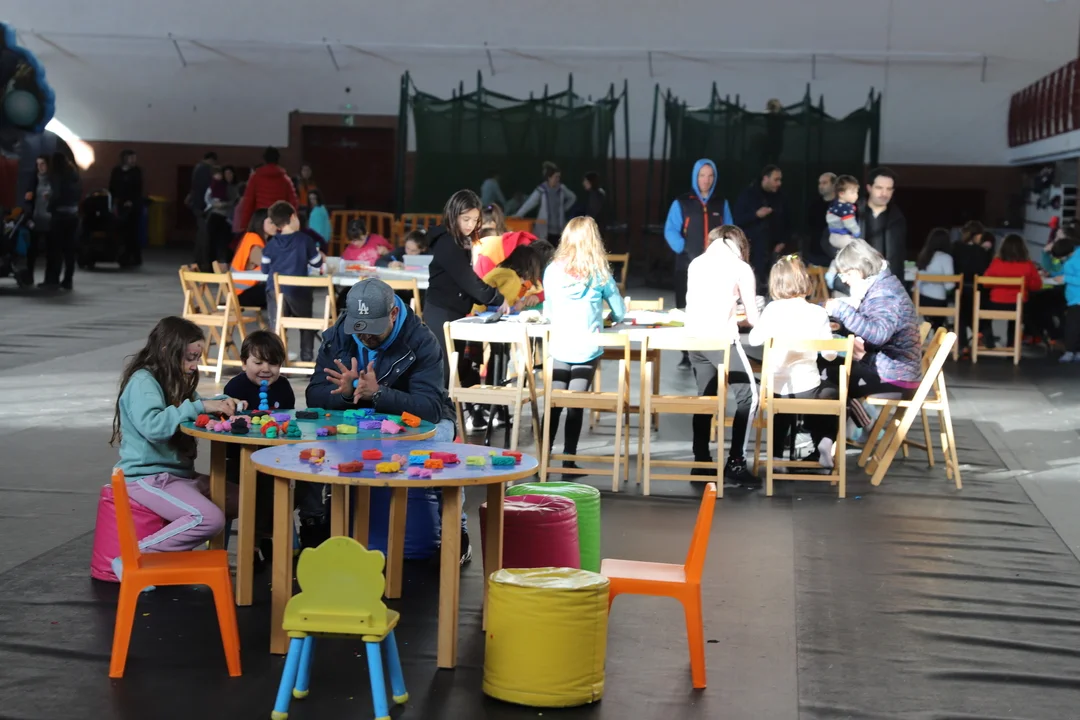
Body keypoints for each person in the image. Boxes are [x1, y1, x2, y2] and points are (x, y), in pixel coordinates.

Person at [306, 279, 472, 563]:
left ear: (393, 313)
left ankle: (456, 529)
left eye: (372, 328)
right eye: (358, 327)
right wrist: (345, 394)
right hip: (358, 417)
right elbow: (314, 394)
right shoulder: (340, 335)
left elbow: (431, 408)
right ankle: (326, 517)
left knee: (437, 446)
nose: (364, 336)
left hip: (419, 420)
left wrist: (379, 394)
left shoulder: (421, 341)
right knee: (315, 443)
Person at [109, 317, 240, 577]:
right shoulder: (143, 382)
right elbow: (154, 427)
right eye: (190, 358)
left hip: (178, 475)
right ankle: (133, 557)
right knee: (208, 518)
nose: (194, 366)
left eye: (197, 358)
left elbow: (193, 407)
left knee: (241, 499)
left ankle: (211, 558)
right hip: (147, 477)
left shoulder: (175, 379)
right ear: (167, 351)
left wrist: (222, 403)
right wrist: (201, 407)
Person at [542, 216, 625, 473]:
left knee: (554, 400)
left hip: (560, 343)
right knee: (576, 401)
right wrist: (610, 318)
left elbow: (549, 309)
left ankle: (543, 455)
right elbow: (619, 310)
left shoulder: (552, 270)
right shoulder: (599, 273)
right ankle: (569, 458)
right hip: (587, 346)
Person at [684, 225, 761, 487]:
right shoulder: (740, 267)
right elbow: (753, 318)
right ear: (740, 245)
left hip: (695, 339)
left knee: (706, 399)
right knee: (749, 396)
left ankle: (701, 461)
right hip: (720, 340)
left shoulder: (697, 262)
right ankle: (736, 462)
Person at [748, 256, 839, 468]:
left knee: (781, 398)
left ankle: (776, 457)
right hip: (808, 388)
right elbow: (830, 355)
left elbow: (753, 340)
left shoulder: (772, 310)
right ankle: (825, 441)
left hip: (777, 387)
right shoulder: (818, 312)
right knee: (833, 393)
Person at [424, 190, 507, 387]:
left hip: (454, 312)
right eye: (466, 219)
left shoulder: (459, 239)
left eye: (475, 220)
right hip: (441, 313)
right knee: (444, 373)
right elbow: (468, 280)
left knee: (456, 372)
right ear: (453, 215)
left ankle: (455, 405)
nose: (471, 225)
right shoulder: (447, 242)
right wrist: (497, 298)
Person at [825, 239, 922, 402]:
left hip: (894, 378)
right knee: (830, 371)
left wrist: (842, 310)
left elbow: (878, 334)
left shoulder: (884, 293)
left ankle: (853, 417)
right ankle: (851, 417)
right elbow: (871, 327)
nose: (843, 280)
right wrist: (840, 327)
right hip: (894, 371)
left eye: (846, 274)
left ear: (859, 269)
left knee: (824, 378)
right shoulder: (881, 286)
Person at [663, 158, 734, 369]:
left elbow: (730, 230)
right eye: (702, 175)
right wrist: (684, 248)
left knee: (714, 308)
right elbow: (670, 230)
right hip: (686, 266)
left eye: (710, 175)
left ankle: (711, 352)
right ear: (695, 177)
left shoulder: (721, 203)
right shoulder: (682, 202)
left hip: (716, 268)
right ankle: (686, 354)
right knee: (686, 308)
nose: (706, 180)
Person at [261, 201, 324, 362]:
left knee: (276, 326)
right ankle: (307, 359)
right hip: (298, 291)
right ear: (293, 217)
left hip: (275, 290)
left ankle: (276, 362)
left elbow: (265, 269)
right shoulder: (305, 240)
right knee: (306, 325)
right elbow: (317, 263)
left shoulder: (271, 244)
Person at [982, 233, 1043, 348]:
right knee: (1017, 319)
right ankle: (1011, 347)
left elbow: (985, 282)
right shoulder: (1028, 265)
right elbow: (1036, 286)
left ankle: (988, 338)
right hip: (1018, 305)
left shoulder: (996, 263)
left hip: (996, 304)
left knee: (982, 309)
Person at [733, 165, 789, 287]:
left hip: (775, 251)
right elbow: (737, 220)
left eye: (780, 180)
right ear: (765, 178)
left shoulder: (781, 197)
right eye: (776, 179)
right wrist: (756, 215)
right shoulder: (748, 195)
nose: (779, 183)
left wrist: (783, 241)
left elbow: (787, 222)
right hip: (754, 251)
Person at [857, 167, 907, 281]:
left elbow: (898, 256)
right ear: (869, 188)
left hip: (884, 281)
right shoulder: (854, 213)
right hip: (855, 277)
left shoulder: (897, 219)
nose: (884, 193)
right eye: (879, 188)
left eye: (889, 189)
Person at [951, 222, 992, 355]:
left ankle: (962, 344)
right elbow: (985, 272)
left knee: (961, 314)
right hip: (978, 291)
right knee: (982, 309)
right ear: (977, 235)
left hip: (959, 290)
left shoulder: (956, 248)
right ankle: (985, 336)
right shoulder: (980, 251)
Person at [513, 161, 577, 246]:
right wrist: (518, 214)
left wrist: (563, 208)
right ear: (549, 178)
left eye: (559, 177)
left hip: (559, 228)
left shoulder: (561, 189)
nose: (558, 179)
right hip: (545, 229)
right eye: (556, 177)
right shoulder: (542, 190)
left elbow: (572, 197)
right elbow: (530, 203)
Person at [42, 149, 80, 290]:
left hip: (59, 215)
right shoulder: (74, 174)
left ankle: (53, 279)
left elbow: (56, 195)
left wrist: (49, 205)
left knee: (55, 249)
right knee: (69, 250)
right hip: (73, 214)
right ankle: (68, 279)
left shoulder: (57, 175)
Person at [236, 147, 298, 232]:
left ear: (264, 159)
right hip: (279, 223)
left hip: (260, 222)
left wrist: (244, 225)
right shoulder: (285, 179)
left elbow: (248, 203)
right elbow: (293, 204)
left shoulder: (255, 178)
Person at [914, 227, 957, 329]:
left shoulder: (924, 256)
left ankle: (928, 329)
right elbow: (949, 286)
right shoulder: (946, 258)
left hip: (921, 299)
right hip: (938, 300)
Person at [230, 209, 273, 309]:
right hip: (242, 294)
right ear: (261, 223)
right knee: (281, 291)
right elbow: (270, 266)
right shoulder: (254, 243)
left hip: (243, 290)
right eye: (271, 222)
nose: (276, 225)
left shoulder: (254, 238)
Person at [109, 149, 143, 266]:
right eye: (131, 158)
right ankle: (123, 256)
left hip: (132, 205)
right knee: (122, 231)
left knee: (132, 232)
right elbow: (112, 186)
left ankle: (135, 257)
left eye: (134, 158)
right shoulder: (117, 171)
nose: (133, 160)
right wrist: (114, 200)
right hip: (120, 204)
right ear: (124, 159)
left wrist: (132, 201)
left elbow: (138, 188)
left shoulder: (136, 171)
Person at [188, 151, 217, 271]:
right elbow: (203, 189)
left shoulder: (198, 168)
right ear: (211, 160)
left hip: (197, 205)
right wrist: (205, 207)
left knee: (201, 233)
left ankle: (199, 259)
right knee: (204, 234)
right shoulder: (205, 170)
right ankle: (202, 261)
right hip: (202, 207)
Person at [24, 154, 49, 284]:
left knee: (50, 250)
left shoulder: (53, 180)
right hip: (36, 218)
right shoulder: (34, 179)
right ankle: (29, 277)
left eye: (43, 164)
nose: (40, 167)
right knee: (32, 250)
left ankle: (49, 279)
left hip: (49, 219)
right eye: (38, 164)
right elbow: (28, 199)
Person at [1056, 236, 1080, 362]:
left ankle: (1070, 351)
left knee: (1072, 326)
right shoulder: (1073, 258)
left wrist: (1065, 279)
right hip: (1074, 298)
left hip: (1077, 299)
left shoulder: (1076, 260)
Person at [805, 172, 836, 265]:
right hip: (815, 254)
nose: (821, 186)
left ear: (834, 185)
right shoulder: (814, 205)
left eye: (824, 183)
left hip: (835, 254)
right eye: (819, 183)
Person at [206, 166, 234, 266]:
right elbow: (209, 198)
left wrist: (224, 204)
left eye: (230, 173)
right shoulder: (218, 186)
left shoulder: (233, 187)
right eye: (226, 174)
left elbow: (234, 202)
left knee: (225, 245)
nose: (228, 176)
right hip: (217, 216)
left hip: (229, 218)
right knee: (213, 243)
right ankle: (211, 265)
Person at [826, 175, 861, 246]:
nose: (856, 195)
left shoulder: (834, 204)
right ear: (841, 194)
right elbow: (850, 224)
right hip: (843, 237)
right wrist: (857, 232)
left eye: (857, 192)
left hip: (832, 235)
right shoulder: (846, 208)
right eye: (853, 192)